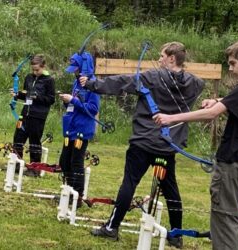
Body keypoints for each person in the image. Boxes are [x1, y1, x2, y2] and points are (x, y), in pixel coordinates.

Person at [79, 41, 205, 248]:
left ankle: (112, 228)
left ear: (172, 58)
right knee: (171, 189)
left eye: (162, 56)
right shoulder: (194, 83)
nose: (159, 59)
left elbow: (121, 83)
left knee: (129, 182)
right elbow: (196, 85)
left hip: (144, 142)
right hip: (167, 145)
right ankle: (176, 236)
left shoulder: (152, 77)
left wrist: (91, 83)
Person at [154, 38, 238, 250]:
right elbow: (231, 102)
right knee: (235, 220)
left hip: (231, 164)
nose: (231, 68)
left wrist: (171, 118)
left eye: (233, 63)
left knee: (224, 221)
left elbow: (211, 114)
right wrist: (217, 101)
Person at [59, 51, 100, 207]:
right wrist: (66, 101)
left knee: (76, 163)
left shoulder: (93, 85)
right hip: (70, 128)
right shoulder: (77, 83)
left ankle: (77, 196)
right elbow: (74, 103)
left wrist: (73, 101)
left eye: (76, 68)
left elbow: (92, 109)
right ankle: (68, 191)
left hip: (81, 130)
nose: (74, 71)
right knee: (64, 162)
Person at [12, 54, 56, 177]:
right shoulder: (29, 78)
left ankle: (34, 169)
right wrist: (17, 94)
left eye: (37, 70)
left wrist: (38, 97)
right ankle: (16, 164)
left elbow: (51, 99)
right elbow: (26, 94)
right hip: (25, 113)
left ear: (43, 67)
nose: (35, 72)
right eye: (33, 70)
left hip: (38, 116)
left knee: (34, 142)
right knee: (18, 138)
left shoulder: (49, 80)